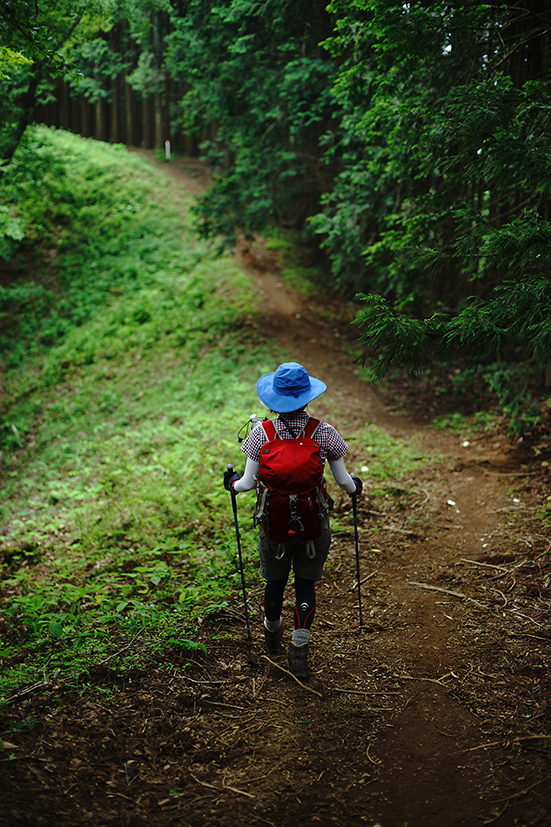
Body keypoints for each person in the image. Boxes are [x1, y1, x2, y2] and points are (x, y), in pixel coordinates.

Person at [224, 362, 362, 679]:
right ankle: (299, 652)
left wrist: (230, 482)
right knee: (304, 583)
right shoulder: (324, 433)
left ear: (274, 399)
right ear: (307, 397)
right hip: (314, 521)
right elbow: (344, 483)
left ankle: (272, 637)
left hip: (273, 521)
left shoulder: (261, 434)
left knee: (275, 582)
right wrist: (356, 486)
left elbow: (245, 484)